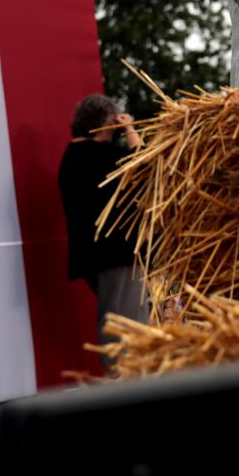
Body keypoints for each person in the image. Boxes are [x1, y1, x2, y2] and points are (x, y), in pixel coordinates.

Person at [57, 94, 149, 360]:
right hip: (117, 255)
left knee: (119, 318)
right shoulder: (100, 156)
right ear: (106, 123)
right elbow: (144, 164)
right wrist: (130, 128)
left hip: (96, 258)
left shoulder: (73, 157)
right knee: (128, 327)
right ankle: (127, 384)